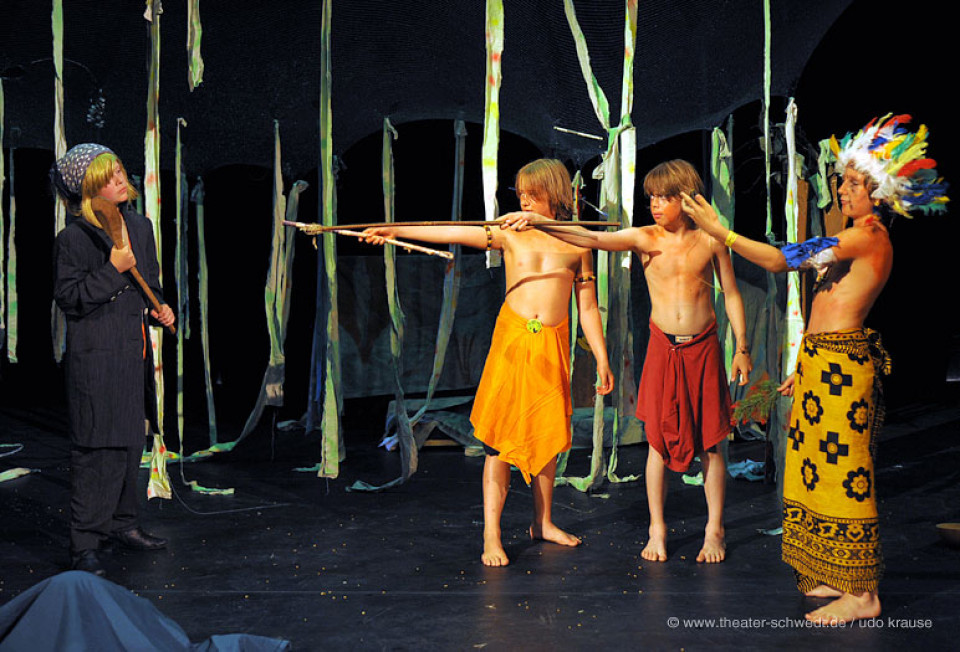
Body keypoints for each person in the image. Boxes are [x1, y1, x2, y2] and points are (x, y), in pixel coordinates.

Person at [681, 114, 949, 624]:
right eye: (843, 180)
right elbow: (826, 302)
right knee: (818, 472)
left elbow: (782, 261)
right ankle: (837, 574)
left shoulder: (867, 236)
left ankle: (864, 593)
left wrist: (723, 232)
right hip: (823, 365)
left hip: (845, 369)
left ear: (879, 192)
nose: (841, 188)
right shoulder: (852, 236)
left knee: (847, 472)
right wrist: (804, 363)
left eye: (852, 183)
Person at [362, 158, 614, 567]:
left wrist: (602, 358)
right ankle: (492, 534)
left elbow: (587, 306)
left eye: (534, 193)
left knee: (546, 434)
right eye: (522, 193)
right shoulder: (508, 234)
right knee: (497, 444)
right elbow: (452, 232)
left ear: (555, 193)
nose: (526, 200)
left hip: (550, 346)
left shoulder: (580, 242)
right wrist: (393, 230)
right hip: (513, 342)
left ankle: (543, 522)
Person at [504, 159, 752, 564]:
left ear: (685, 200)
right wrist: (535, 219)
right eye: (651, 198)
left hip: (703, 346)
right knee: (656, 440)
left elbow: (732, 293)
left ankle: (715, 529)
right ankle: (657, 527)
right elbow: (595, 241)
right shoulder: (644, 237)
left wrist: (741, 346)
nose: (655, 205)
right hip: (662, 347)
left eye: (664, 198)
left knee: (711, 443)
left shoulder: (711, 240)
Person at [51, 144, 176, 577]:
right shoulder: (75, 237)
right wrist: (113, 268)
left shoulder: (140, 227)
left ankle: (124, 525)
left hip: (131, 354)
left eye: (120, 170)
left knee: (128, 446)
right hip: (95, 360)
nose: (121, 179)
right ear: (89, 189)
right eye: (109, 177)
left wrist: (162, 309)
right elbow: (69, 299)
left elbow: (152, 287)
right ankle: (85, 543)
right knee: (95, 452)